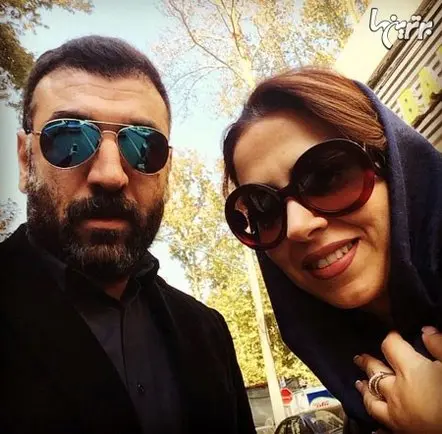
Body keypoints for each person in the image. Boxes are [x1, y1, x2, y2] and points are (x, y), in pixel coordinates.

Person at [0, 35, 255, 434]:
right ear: (25, 159)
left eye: (143, 147)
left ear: (166, 170)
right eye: (69, 139)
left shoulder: (207, 331)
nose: (110, 175)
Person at [222, 67, 442, 433]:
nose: (297, 226)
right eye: (263, 210)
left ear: (399, 170)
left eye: (327, 176)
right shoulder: (357, 401)